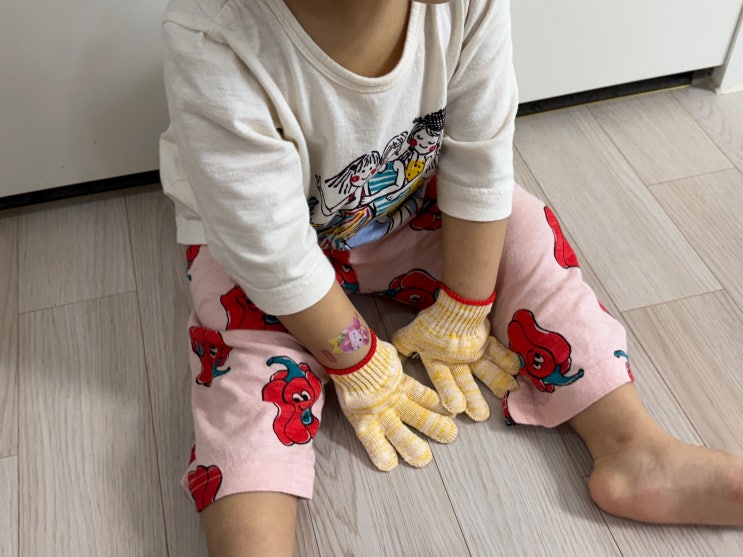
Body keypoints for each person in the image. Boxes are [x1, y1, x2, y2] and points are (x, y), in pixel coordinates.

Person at [159, 0, 743, 554]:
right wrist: (358, 361)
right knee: (245, 367)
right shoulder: (214, 36)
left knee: (526, 232)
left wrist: (465, 307)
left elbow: (480, 161)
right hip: (254, 249)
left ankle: (633, 446)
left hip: (407, 209)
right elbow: (271, 252)